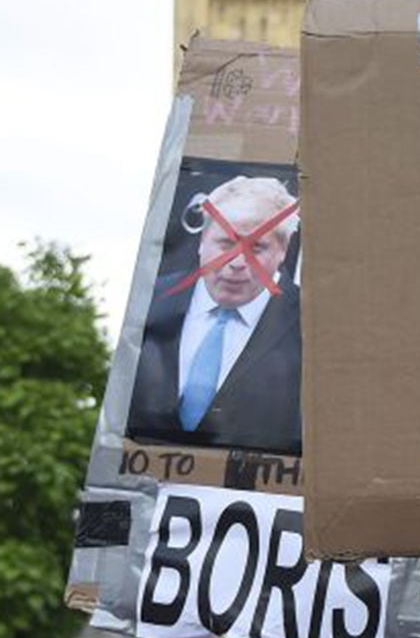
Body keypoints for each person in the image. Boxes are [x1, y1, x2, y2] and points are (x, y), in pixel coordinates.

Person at [128, 172, 303, 455]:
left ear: (282, 251)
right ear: (202, 240)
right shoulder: (147, 304)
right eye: (226, 243)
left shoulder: (314, 329)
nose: (236, 262)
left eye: (256, 247)